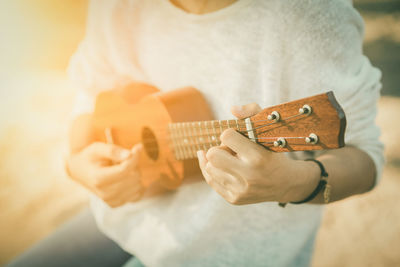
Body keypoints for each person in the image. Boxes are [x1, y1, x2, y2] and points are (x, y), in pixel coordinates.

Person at [8, 0, 384, 266]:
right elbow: (90, 92)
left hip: (228, 255)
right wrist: (77, 164)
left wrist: (295, 183)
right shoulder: (118, 6)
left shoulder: (309, 15)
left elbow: (365, 157)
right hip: (118, 218)